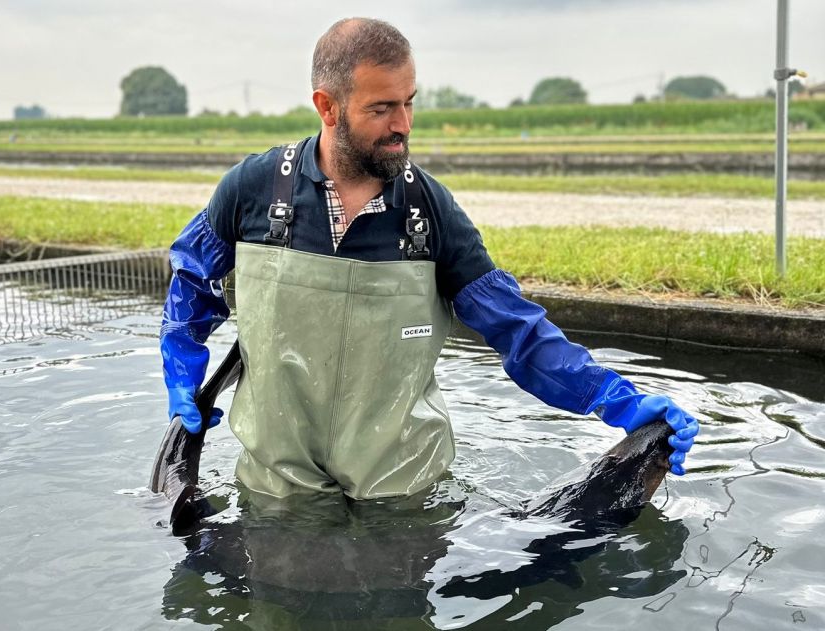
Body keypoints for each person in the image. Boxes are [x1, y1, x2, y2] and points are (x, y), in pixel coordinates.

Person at [160, 17, 699, 500]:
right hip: (276, 493)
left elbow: (519, 332)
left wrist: (614, 398)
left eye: (409, 101)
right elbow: (192, 278)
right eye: (381, 108)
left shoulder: (431, 212)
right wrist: (182, 365)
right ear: (327, 106)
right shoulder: (250, 190)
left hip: (402, 495)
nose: (404, 124)